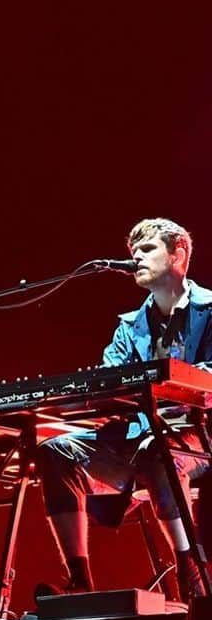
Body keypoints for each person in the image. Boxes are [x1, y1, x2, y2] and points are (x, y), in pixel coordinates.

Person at [36, 218, 212, 599]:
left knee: (156, 452)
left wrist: (167, 383)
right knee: (56, 451)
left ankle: (190, 570)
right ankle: (79, 580)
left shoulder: (210, 310)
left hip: (199, 436)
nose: (136, 260)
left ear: (179, 253)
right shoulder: (130, 326)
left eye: (147, 250)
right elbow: (110, 380)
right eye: (133, 253)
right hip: (139, 434)